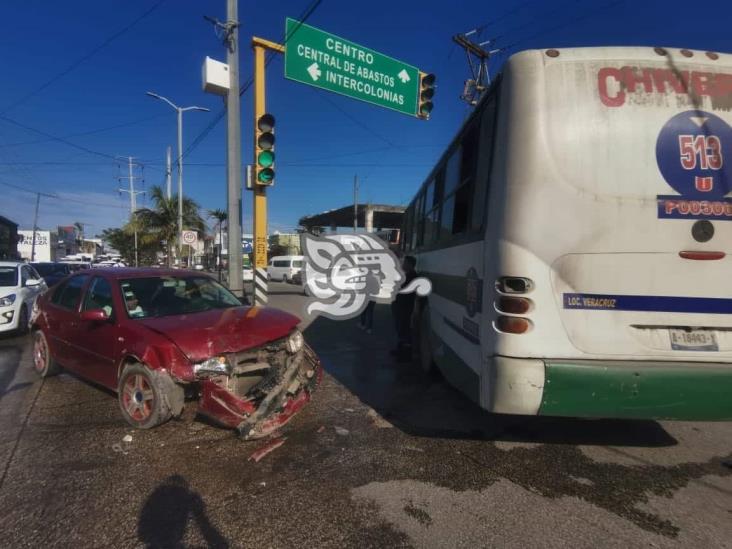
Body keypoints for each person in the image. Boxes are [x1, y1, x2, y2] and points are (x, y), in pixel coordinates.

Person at [391, 255, 418, 361]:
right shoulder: (408, 275)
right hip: (401, 307)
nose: (403, 265)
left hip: (404, 308)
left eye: (405, 263)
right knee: (401, 329)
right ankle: (401, 351)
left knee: (404, 330)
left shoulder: (412, 276)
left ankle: (404, 353)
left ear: (410, 265)